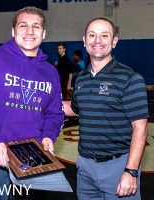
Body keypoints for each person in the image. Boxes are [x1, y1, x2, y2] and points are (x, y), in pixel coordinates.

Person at [0, 7, 64, 199]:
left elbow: (54, 113)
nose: (30, 31)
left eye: (36, 26)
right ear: (13, 31)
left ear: (44, 33)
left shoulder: (50, 72)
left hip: (33, 156)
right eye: (23, 25)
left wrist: (49, 136)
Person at [63, 18, 148, 199]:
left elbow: (140, 128)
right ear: (84, 40)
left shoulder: (130, 78)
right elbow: (75, 108)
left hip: (118, 167)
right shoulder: (82, 79)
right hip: (85, 167)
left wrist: (131, 172)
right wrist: (39, 103)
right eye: (92, 35)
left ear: (114, 41)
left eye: (104, 35)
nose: (97, 40)